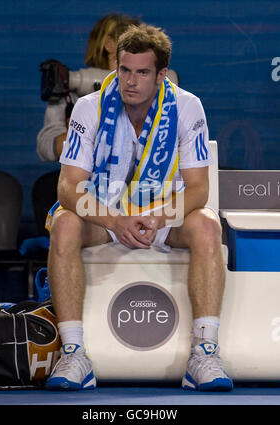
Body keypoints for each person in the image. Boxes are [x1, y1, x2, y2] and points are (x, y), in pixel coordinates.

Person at [45, 24, 233, 392]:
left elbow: (198, 188)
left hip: (160, 216)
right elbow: (68, 186)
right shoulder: (89, 106)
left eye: (142, 72)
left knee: (208, 224)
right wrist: (116, 218)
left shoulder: (186, 105)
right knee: (65, 223)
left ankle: (204, 352)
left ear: (162, 74)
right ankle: (73, 354)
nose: (130, 81)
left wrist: (157, 215)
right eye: (124, 70)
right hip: (106, 216)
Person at [33, 14, 140, 236]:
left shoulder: (154, 97)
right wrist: (83, 132)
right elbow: (46, 146)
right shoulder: (72, 95)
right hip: (85, 185)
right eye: (117, 56)